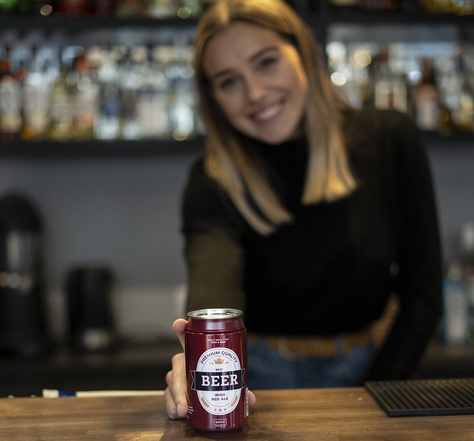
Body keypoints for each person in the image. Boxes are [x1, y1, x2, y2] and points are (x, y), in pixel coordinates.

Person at [164, 0, 442, 419]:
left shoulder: (389, 140)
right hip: (254, 381)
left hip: (372, 370)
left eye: (266, 62)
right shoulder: (212, 179)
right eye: (228, 82)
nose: (255, 94)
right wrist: (197, 355)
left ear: (304, 53)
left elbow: (422, 296)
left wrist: (377, 395)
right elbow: (213, 279)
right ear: (213, 97)